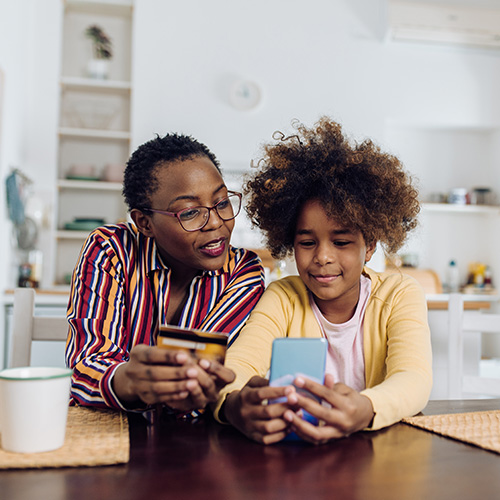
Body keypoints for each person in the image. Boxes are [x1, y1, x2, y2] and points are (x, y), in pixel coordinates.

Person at [213, 117, 432, 444]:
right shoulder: (283, 297)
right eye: (307, 242)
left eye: (341, 243)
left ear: (369, 245)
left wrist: (366, 408)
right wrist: (233, 404)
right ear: (290, 242)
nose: (323, 257)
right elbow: (239, 364)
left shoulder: (399, 294)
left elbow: (413, 378)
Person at [66, 133, 265, 413]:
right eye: (190, 212)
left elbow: (203, 377)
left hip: (190, 444)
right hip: (108, 433)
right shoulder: (111, 250)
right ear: (144, 223)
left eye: (221, 202)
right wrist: (129, 382)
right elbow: (84, 369)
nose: (216, 223)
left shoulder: (243, 272)